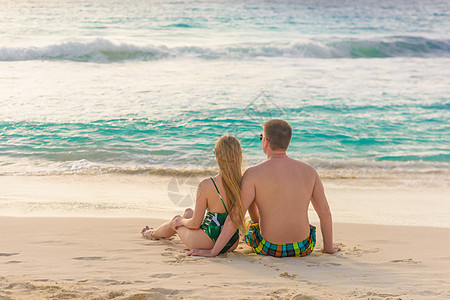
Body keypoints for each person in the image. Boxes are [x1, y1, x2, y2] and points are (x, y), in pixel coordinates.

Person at [188, 119, 340, 257]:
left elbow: (235, 216)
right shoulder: (309, 171)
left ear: (266, 142)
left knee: (247, 220)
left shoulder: (253, 173)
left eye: (261, 137)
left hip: (269, 247)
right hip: (303, 246)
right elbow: (325, 213)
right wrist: (328, 247)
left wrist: (213, 251)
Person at [141, 135, 245, 254]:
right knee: (188, 212)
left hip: (207, 242)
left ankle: (151, 234)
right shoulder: (244, 182)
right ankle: (168, 227)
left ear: (217, 156)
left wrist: (181, 221)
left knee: (175, 220)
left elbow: (195, 224)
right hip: (231, 243)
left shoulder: (207, 184)